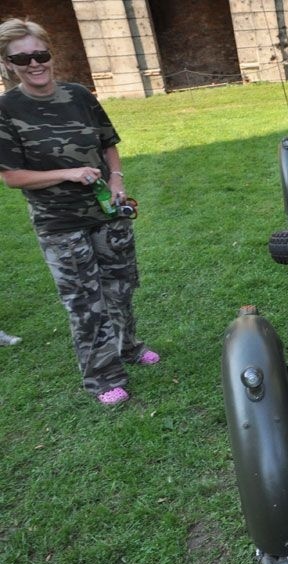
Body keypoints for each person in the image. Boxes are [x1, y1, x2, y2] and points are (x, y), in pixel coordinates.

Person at [0, 18, 158, 406]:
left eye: (41, 54)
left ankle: (128, 347)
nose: (34, 64)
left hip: (108, 211)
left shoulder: (79, 95)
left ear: (51, 54)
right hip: (60, 223)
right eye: (22, 58)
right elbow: (12, 176)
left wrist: (117, 180)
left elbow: (108, 144)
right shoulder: (6, 109)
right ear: (7, 63)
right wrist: (67, 173)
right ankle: (103, 379)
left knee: (120, 288)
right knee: (85, 303)